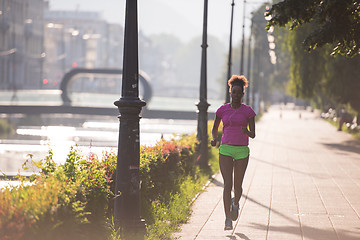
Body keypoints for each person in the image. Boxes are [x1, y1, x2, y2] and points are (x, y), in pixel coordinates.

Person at [211, 75, 256, 230]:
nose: (236, 95)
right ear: (230, 92)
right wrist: (214, 139)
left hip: (242, 151)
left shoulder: (248, 111)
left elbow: (253, 134)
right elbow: (215, 128)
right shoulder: (222, 110)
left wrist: (246, 131)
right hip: (225, 149)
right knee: (227, 184)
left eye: (239, 93)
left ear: (243, 94)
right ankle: (227, 218)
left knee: (238, 186)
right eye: (234, 92)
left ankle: (235, 203)